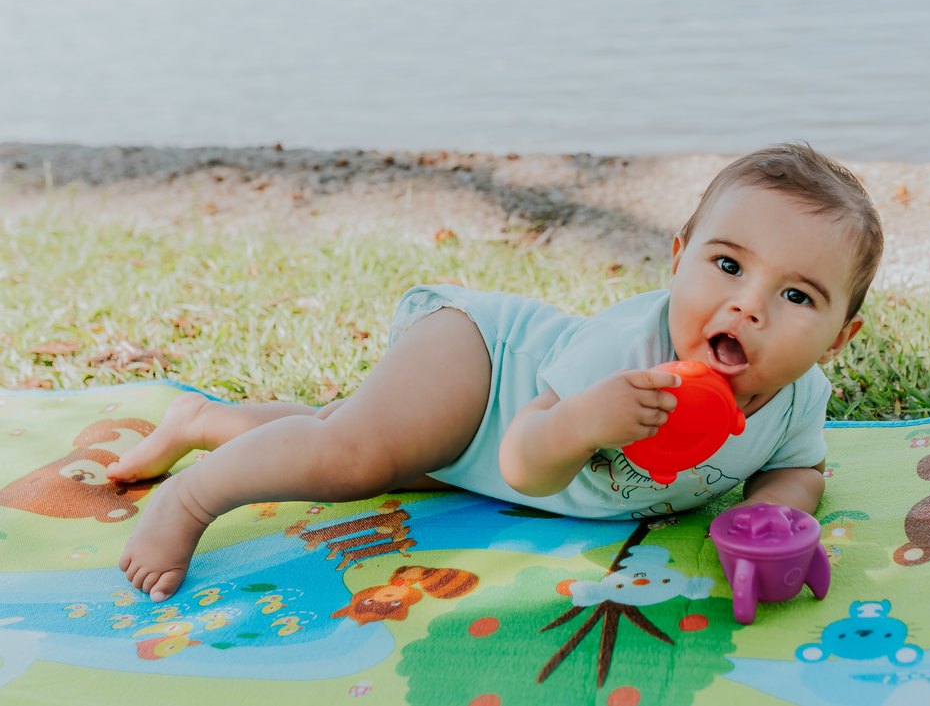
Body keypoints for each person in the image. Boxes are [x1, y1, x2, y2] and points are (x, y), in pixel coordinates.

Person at [108, 142, 884, 601]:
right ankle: (192, 494)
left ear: (837, 338)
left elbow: (797, 468)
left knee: (361, 441)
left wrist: (774, 518)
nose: (748, 306)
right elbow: (523, 457)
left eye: (794, 294)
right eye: (726, 264)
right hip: (484, 369)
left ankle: (199, 423)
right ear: (678, 260)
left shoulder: (796, 395)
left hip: (477, 460)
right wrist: (585, 423)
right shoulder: (625, 353)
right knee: (354, 455)